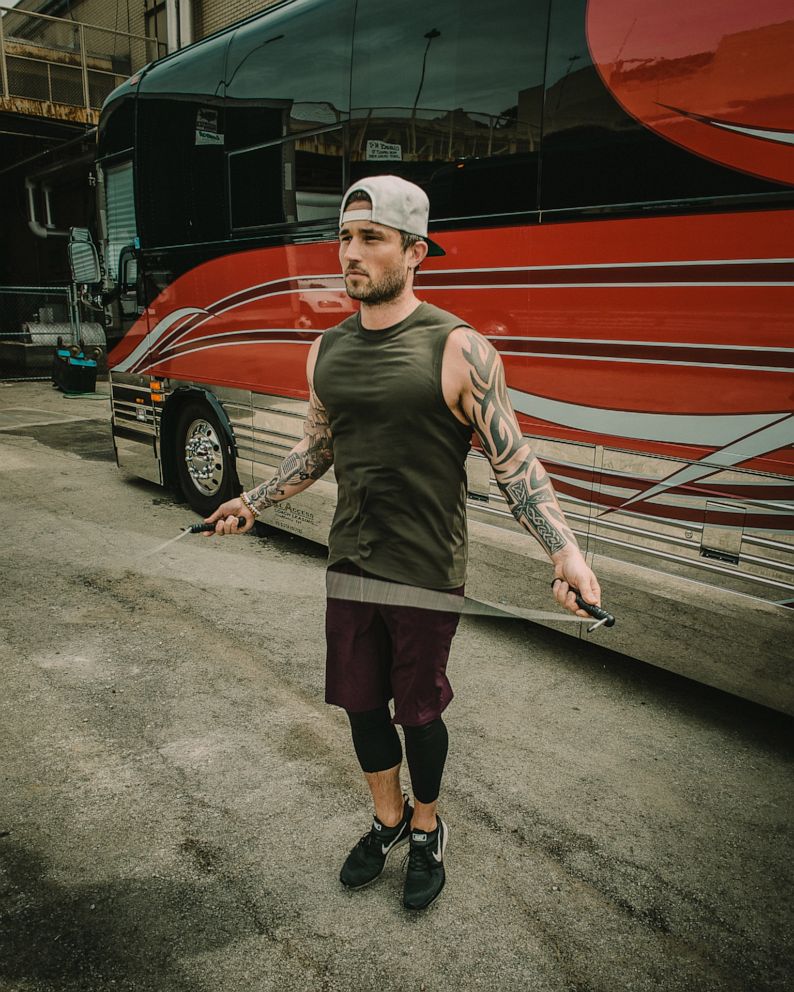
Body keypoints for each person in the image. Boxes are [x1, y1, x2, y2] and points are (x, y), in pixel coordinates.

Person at [205, 175, 601, 911]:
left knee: (417, 712)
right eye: (344, 238)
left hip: (424, 570)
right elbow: (317, 448)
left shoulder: (459, 349)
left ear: (415, 252)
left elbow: (515, 465)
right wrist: (251, 500)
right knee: (359, 706)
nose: (349, 254)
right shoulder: (327, 351)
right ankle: (386, 821)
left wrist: (565, 551)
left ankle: (426, 827)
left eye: (371, 239)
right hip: (350, 560)